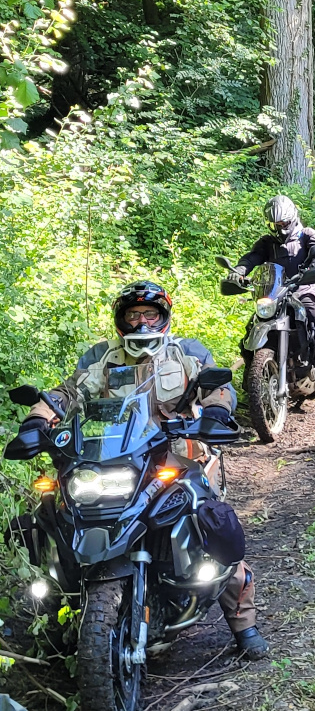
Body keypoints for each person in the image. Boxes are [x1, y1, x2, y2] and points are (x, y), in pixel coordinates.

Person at [11, 282, 270, 660]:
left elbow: (215, 385)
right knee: (54, 513)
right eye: (134, 314)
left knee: (210, 525)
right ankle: (60, 614)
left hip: (177, 457)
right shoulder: (101, 357)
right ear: (122, 319)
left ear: (163, 317)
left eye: (150, 314)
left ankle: (243, 624)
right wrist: (38, 420)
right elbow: (64, 395)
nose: (142, 321)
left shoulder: (186, 352)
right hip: (113, 458)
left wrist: (216, 411)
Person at [228, 195, 315, 379]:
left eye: (283, 223)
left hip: (304, 287)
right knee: (253, 327)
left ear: (292, 218)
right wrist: (240, 271)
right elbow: (252, 258)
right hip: (276, 291)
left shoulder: (307, 235)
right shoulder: (267, 243)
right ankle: (253, 372)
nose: (280, 229)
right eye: (275, 225)